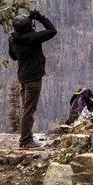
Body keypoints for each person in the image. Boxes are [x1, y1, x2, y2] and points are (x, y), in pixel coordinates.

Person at [9, 9, 57, 149]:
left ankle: (26, 137)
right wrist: (41, 18)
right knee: (29, 109)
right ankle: (25, 141)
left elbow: (13, 56)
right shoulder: (33, 37)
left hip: (23, 77)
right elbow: (52, 31)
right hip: (34, 78)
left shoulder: (13, 39)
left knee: (26, 108)